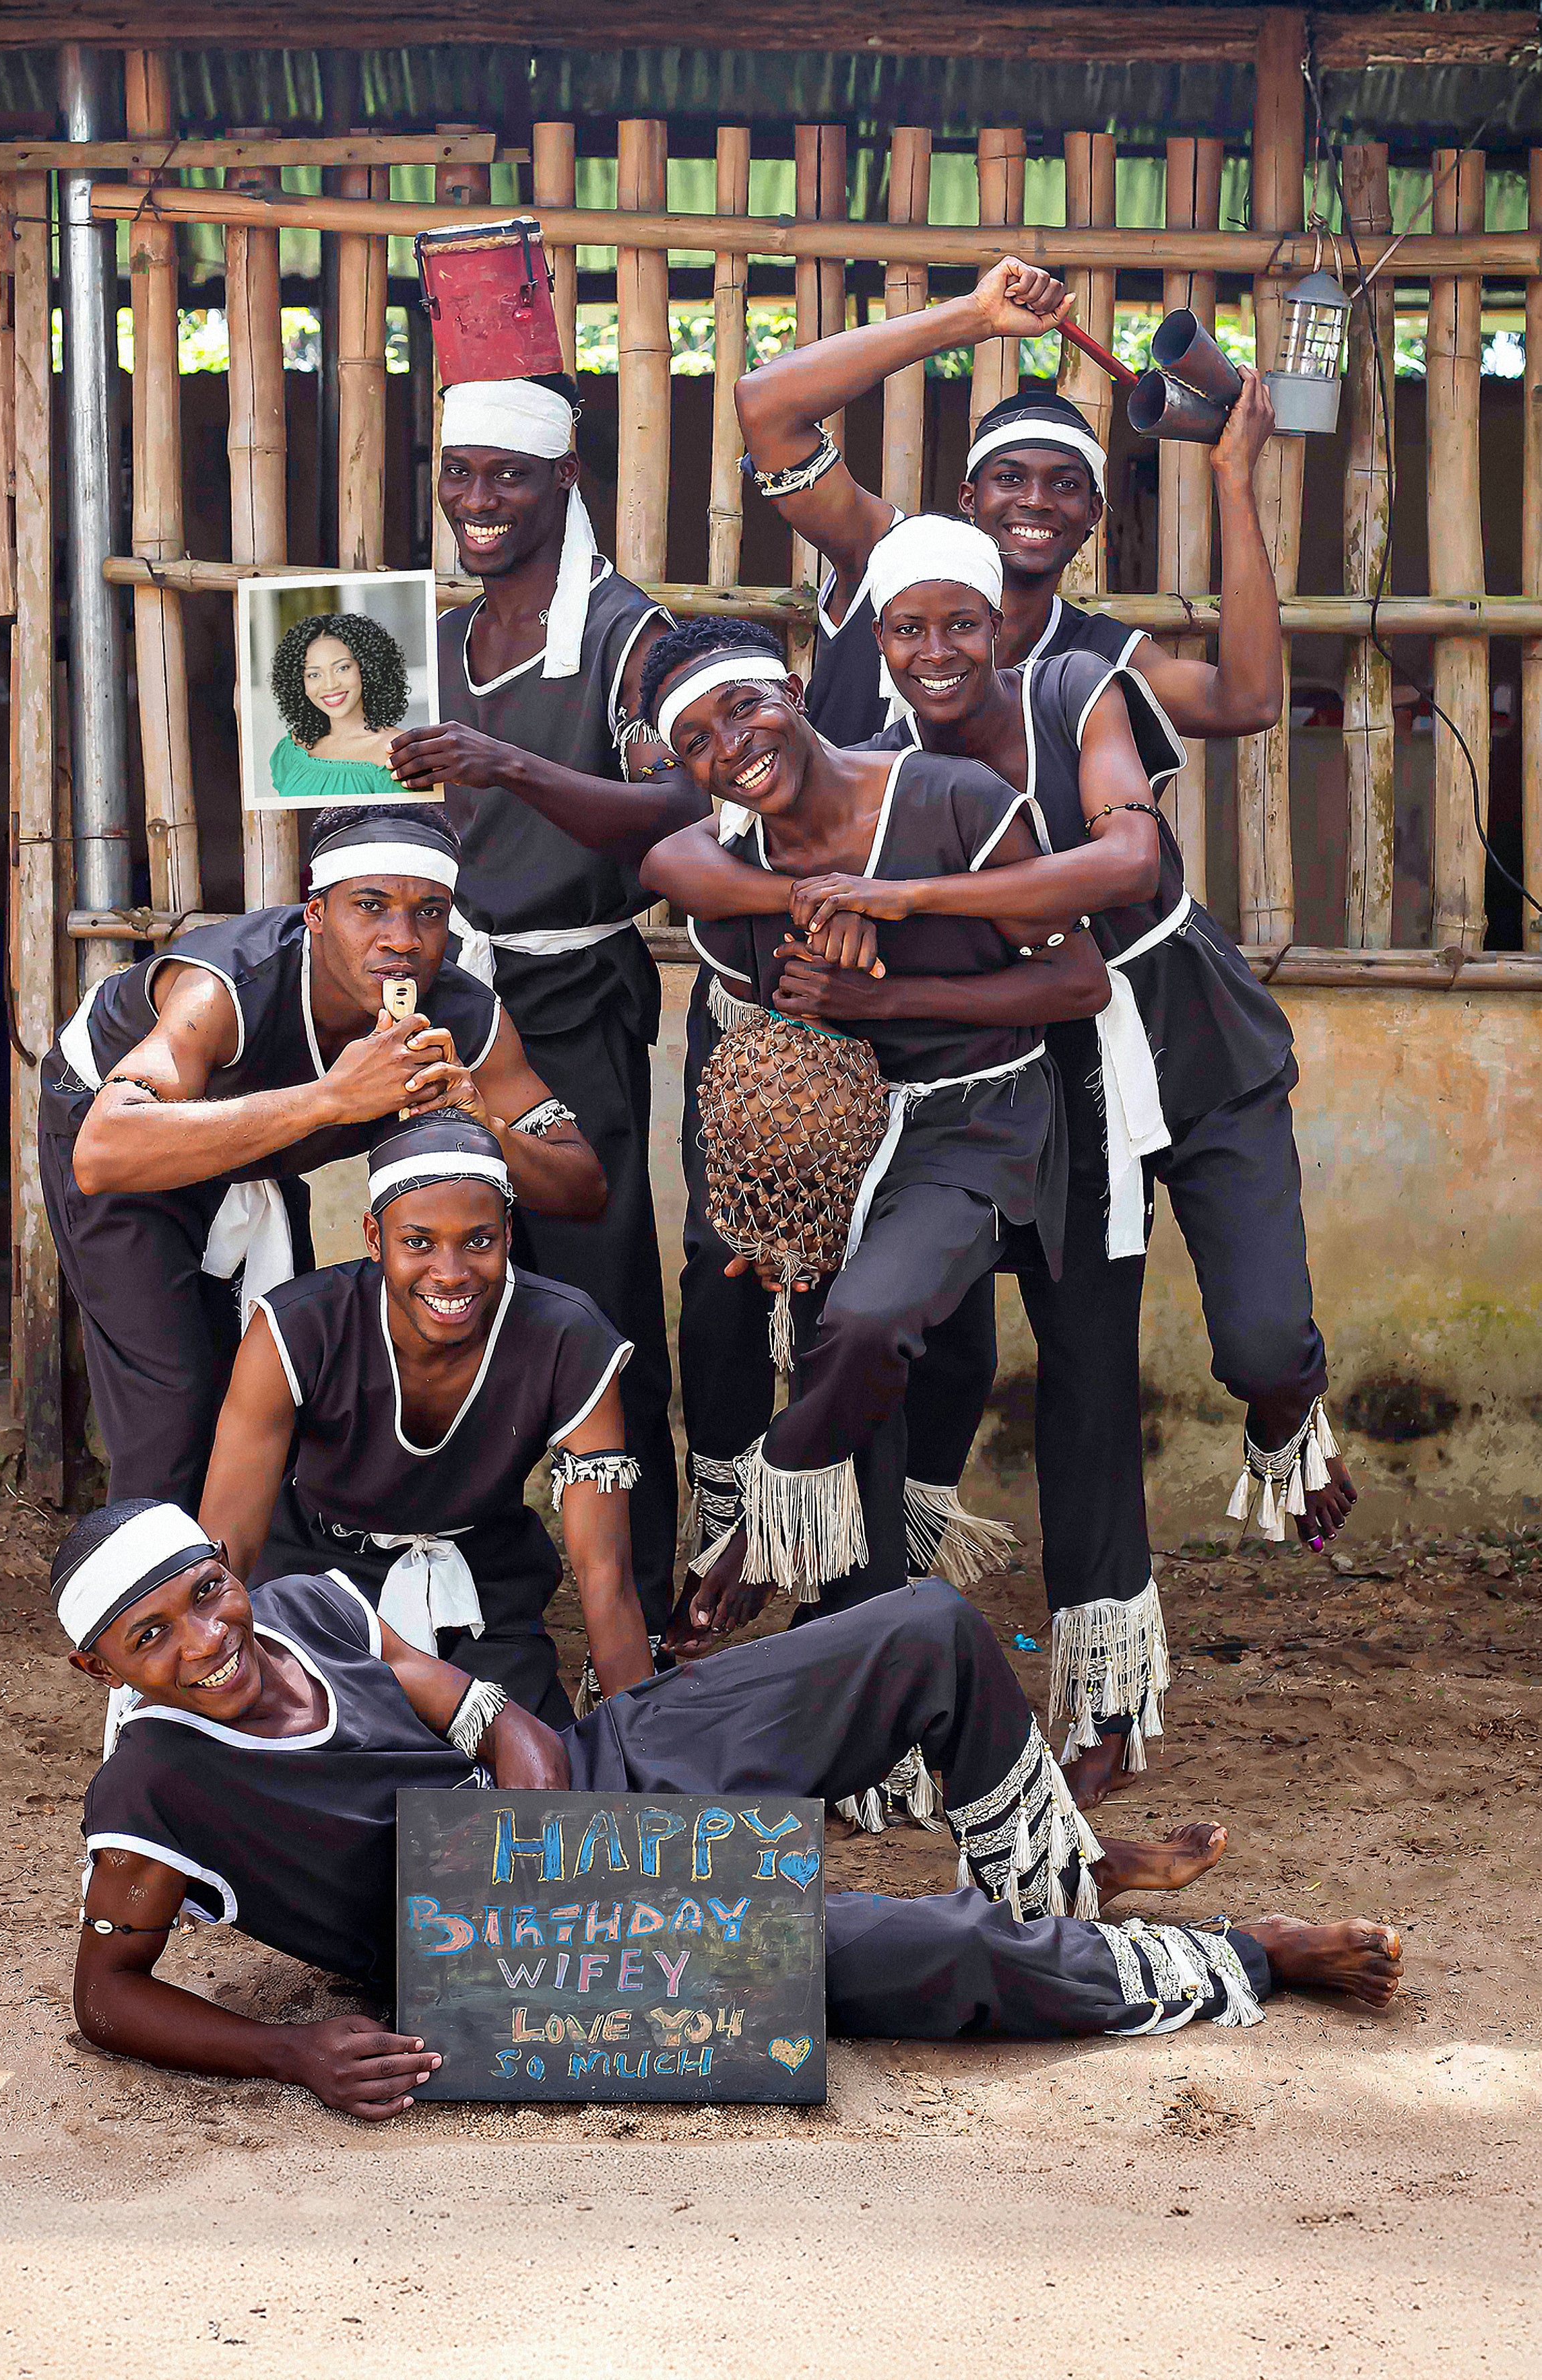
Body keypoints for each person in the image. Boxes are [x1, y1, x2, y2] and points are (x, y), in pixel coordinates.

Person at [61, 1498, 1403, 2120]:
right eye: (151, 1634)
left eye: (202, 1593)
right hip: (498, 1958)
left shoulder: (302, 1607)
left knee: (923, 1629)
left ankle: (1053, 1878)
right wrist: (290, 2053)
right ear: (101, 1669)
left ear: (228, 1572)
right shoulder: (156, 1787)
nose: (201, 1638)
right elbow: (106, 1997)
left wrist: (544, 1830)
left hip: (586, 1787)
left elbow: (495, 1719)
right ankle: (1240, 1958)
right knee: (920, 1955)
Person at [784, 513, 1353, 1802]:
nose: (936, 652)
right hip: (1051, 1081)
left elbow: (1128, 854)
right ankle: (1094, 1695)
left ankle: (1286, 1406)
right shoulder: (881, 766)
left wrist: (913, 902)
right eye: (908, 629)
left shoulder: (1076, 689)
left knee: (1261, 1340)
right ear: (879, 641)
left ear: (1000, 626)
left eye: (960, 625)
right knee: (1083, 1379)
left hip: (1184, 1037)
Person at [639, 616, 1105, 1639]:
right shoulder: (727, 884)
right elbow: (672, 865)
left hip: (978, 1120)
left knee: (864, 1322)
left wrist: (888, 988)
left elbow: (1078, 980)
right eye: (699, 743)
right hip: (837, 1151)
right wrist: (809, 904)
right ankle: (869, 1705)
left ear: (797, 691)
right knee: (845, 1368)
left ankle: (767, 1517)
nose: (733, 747)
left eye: (746, 707)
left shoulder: (953, 799)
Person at [384, 373, 709, 1643]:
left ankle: (645, 1592)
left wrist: (510, 762)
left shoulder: (630, 635)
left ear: (564, 479)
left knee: (599, 1297)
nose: (478, 499)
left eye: (508, 475)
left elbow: (682, 805)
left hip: (575, 1000)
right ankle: (461, 1573)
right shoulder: (439, 641)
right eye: (460, 471)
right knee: (440, 1274)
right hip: (450, 1002)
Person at [38, 806, 606, 1510]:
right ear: (314, 915)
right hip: (125, 1144)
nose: (402, 941)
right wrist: (332, 1100)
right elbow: (104, 1152)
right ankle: (142, 1603)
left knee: (267, 1375)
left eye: (430, 913)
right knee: (172, 1401)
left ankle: (247, 1593)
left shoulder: (463, 1013)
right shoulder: (227, 986)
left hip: (253, 1159)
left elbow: (582, 1183)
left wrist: (484, 1121)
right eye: (370, 908)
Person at [199, 1113, 654, 1728]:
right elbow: (230, 1547)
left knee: (524, 1756)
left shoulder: (567, 1338)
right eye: (418, 1242)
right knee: (316, 1752)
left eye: (478, 1240)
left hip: (483, 1594)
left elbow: (606, 1576)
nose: (451, 1272)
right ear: (373, 1236)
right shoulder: (297, 1328)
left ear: (509, 1233)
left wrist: (645, 1744)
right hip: (317, 1585)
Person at [734, 255, 1283, 743]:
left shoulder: (1097, 655)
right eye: (1011, 478)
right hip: (834, 864)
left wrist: (1233, 476)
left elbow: (1246, 704)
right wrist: (975, 316)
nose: (1037, 501)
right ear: (969, 498)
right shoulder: (889, 558)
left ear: (1094, 514)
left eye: (1066, 484)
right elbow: (765, 403)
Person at [265, 611, 412, 805]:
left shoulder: (400, 753)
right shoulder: (292, 748)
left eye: (342, 668)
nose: (330, 685)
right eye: (314, 675)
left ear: (367, 669)